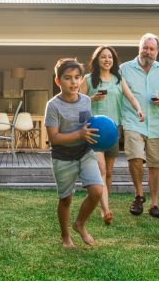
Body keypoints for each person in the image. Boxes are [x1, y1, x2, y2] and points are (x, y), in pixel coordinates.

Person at [81, 45, 144, 226]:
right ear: (97, 60)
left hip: (113, 130)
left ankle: (102, 204)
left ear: (113, 61)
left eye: (110, 57)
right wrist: (92, 99)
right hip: (95, 130)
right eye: (103, 57)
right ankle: (105, 209)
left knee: (108, 172)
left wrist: (139, 110)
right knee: (100, 170)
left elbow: (131, 97)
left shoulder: (118, 79)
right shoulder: (88, 79)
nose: (107, 60)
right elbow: (78, 100)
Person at [45, 57, 103, 248]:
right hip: (62, 157)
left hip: (84, 152)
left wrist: (101, 135)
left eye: (77, 77)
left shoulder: (86, 101)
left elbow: (88, 126)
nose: (74, 82)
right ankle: (65, 236)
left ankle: (80, 224)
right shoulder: (52, 106)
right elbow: (54, 137)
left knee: (96, 190)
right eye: (68, 78)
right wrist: (79, 133)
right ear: (58, 81)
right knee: (66, 199)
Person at [119, 33, 159, 219]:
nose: (148, 51)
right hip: (133, 120)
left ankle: (154, 204)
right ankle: (138, 195)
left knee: (156, 165)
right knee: (135, 157)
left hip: (157, 124)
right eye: (145, 47)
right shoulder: (124, 69)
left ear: (157, 51)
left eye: (152, 49)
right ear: (139, 48)